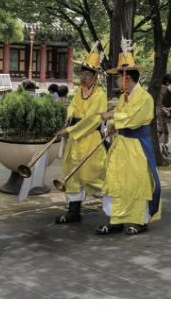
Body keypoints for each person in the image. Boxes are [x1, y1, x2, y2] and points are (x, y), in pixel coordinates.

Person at [95, 38, 160, 235]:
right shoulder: (124, 97)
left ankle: (140, 221)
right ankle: (115, 220)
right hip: (121, 144)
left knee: (136, 182)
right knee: (115, 181)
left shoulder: (145, 98)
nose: (116, 81)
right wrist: (113, 126)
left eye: (118, 77)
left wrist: (112, 116)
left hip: (137, 146)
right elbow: (122, 117)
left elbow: (135, 119)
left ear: (127, 78)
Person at [52, 43, 108, 223]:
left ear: (95, 77)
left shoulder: (100, 95)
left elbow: (92, 120)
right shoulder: (80, 92)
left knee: (93, 174)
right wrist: (69, 115)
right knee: (72, 174)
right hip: (75, 140)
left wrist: (69, 130)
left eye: (87, 75)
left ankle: (114, 209)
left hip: (90, 139)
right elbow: (73, 106)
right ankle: (73, 211)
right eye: (82, 74)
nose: (83, 78)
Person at [156, 76, 170, 154]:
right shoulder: (167, 90)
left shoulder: (158, 89)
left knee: (165, 130)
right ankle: (150, 144)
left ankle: (165, 148)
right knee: (162, 130)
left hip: (158, 110)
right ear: (167, 81)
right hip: (164, 111)